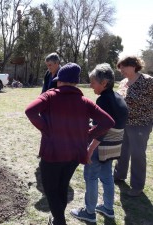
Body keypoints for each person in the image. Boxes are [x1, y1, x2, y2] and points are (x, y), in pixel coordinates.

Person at [25, 63, 115, 225]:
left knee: (51, 190)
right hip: (74, 154)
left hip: (52, 154)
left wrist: (47, 129)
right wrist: (87, 136)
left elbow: (30, 111)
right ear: (75, 82)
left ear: (60, 81)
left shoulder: (49, 96)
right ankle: (58, 219)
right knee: (62, 186)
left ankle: (59, 221)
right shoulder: (85, 101)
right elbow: (108, 122)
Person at [70, 63, 128, 222]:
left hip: (100, 148)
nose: (90, 85)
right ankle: (108, 208)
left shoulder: (103, 101)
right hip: (113, 149)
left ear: (104, 83)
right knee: (107, 176)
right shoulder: (118, 97)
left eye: (93, 82)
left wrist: (88, 151)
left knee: (91, 177)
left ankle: (89, 213)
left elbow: (101, 131)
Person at [113, 56, 153, 197]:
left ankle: (137, 186)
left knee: (137, 155)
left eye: (123, 66)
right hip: (124, 123)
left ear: (133, 66)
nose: (121, 70)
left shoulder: (147, 81)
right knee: (122, 151)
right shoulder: (123, 82)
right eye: (120, 67)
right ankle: (119, 175)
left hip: (141, 124)